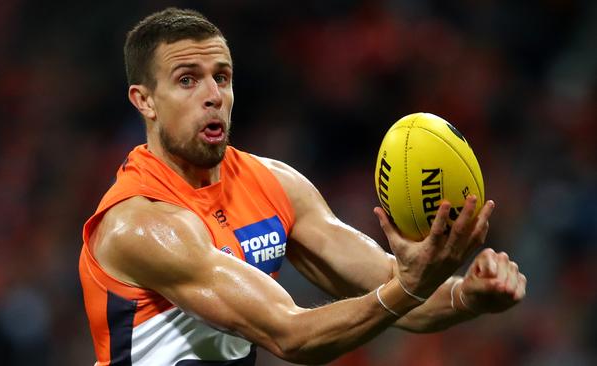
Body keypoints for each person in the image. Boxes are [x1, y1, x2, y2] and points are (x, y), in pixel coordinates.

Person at [79, 7, 527, 366]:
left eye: (222, 76)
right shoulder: (139, 224)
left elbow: (401, 290)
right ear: (145, 101)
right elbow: (290, 335)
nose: (213, 94)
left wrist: (467, 294)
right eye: (187, 80)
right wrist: (411, 286)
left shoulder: (275, 184)